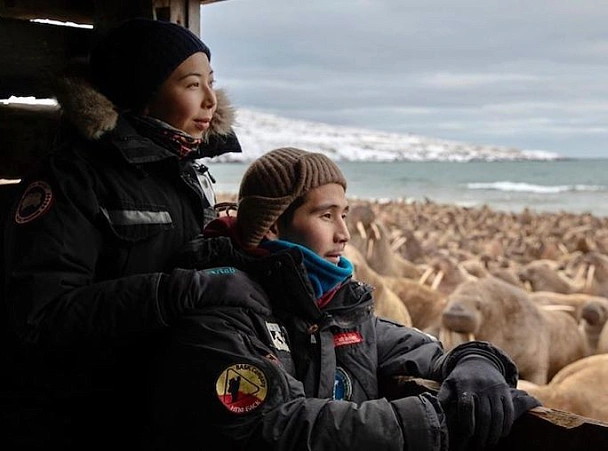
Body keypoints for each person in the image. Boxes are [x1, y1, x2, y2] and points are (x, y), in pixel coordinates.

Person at [143, 147, 540, 450]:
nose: (344, 234)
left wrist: (476, 360)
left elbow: (418, 349)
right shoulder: (218, 313)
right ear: (273, 226)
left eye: (345, 214)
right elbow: (275, 426)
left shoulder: (335, 309)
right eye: (326, 215)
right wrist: (435, 420)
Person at [1, 18, 247, 449]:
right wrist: (178, 292)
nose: (210, 100)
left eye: (212, 82)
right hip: (86, 419)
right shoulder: (73, 180)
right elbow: (40, 316)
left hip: (161, 401)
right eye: (192, 85)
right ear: (144, 94)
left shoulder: (186, 169)